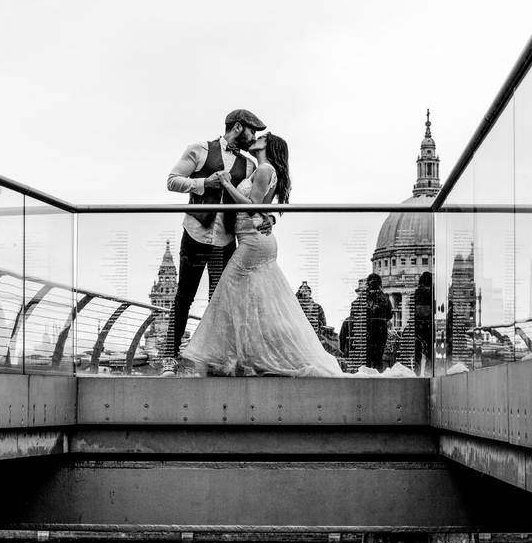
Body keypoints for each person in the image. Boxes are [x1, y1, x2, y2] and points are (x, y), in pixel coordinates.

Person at [180, 133, 344, 377]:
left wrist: (226, 185)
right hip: (254, 237)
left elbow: (252, 204)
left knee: (228, 293)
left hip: (253, 241)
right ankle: (245, 358)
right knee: (253, 301)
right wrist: (269, 217)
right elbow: (263, 207)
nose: (257, 137)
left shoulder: (265, 168)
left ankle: (231, 359)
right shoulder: (260, 168)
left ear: (270, 145)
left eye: (263, 137)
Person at [163, 109, 272, 374]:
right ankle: (170, 356)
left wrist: (268, 216)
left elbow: (253, 201)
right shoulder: (198, 150)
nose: (254, 136)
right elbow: (172, 181)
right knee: (184, 297)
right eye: (251, 131)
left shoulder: (249, 165)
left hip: (225, 240)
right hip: (195, 233)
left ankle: (211, 359)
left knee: (220, 301)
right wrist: (203, 183)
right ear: (237, 127)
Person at [364, 272, 393, 371]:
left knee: (367, 358)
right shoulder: (385, 298)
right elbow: (390, 315)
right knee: (378, 358)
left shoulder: (363, 297)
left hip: (367, 330)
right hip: (381, 330)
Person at [413, 271, 433, 374]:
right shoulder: (432, 294)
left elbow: (413, 311)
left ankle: (416, 374)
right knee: (430, 354)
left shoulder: (416, 293)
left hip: (417, 326)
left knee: (417, 354)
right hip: (428, 327)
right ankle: (428, 374)